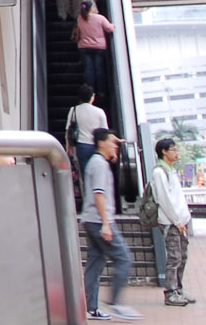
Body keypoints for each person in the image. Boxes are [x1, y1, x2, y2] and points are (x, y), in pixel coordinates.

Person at [80, 128, 137, 320]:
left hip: (91, 219)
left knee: (95, 264)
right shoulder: (99, 165)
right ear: (101, 143)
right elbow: (98, 194)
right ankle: (116, 303)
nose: (116, 146)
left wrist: (115, 145)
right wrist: (106, 223)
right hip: (98, 220)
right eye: (112, 142)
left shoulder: (97, 163)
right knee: (123, 258)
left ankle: (89, 307)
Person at [149, 137, 194, 308]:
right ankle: (170, 292)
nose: (176, 152)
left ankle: (178, 289)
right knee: (174, 257)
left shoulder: (171, 171)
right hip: (171, 222)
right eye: (173, 149)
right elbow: (165, 199)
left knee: (182, 256)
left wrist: (184, 218)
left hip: (181, 220)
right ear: (164, 152)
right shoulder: (159, 172)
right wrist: (176, 220)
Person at [75, 0, 118, 102]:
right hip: (99, 47)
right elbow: (109, 29)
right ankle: (101, 92)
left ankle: (91, 93)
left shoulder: (80, 18)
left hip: (84, 47)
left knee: (88, 70)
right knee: (99, 70)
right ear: (92, 8)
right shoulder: (99, 18)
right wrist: (113, 25)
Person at [66, 87, 108, 182]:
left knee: (85, 175)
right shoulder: (99, 111)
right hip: (97, 147)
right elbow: (105, 132)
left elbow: (68, 131)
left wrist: (69, 148)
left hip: (81, 146)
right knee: (98, 173)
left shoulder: (74, 110)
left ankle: (87, 193)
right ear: (92, 97)